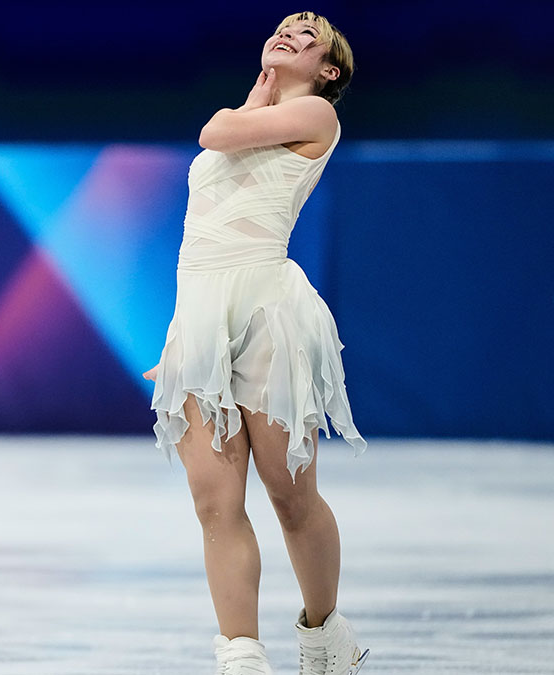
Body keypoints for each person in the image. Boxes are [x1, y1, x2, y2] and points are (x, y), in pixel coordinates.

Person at [143, 11, 370, 675]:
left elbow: (217, 131)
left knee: (290, 494)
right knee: (215, 500)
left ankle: (325, 632)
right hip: (202, 317)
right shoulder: (255, 111)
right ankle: (241, 652)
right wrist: (189, 338)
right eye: (286, 26)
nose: (292, 32)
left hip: (270, 314)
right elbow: (204, 232)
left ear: (328, 72)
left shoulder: (317, 117)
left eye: (311, 35)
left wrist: (261, 90)